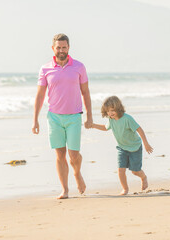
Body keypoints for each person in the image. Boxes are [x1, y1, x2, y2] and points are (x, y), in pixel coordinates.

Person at [32, 33, 93, 199]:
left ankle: (77, 173)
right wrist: (35, 119)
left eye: (64, 47)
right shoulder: (45, 69)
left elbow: (85, 92)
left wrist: (89, 116)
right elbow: (40, 96)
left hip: (74, 117)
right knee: (60, 155)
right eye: (58, 47)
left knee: (74, 155)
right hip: (54, 118)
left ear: (68, 48)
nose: (61, 50)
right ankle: (65, 190)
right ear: (53, 48)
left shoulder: (79, 67)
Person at [92, 96, 153, 195]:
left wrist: (146, 143)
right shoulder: (111, 120)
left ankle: (143, 177)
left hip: (135, 147)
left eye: (112, 110)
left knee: (135, 171)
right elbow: (105, 127)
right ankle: (125, 189)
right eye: (108, 111)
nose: (110, 113)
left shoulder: (127, 118)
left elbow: (139, 129)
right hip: (122, 148)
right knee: (120, 170)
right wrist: (93, 125)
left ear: (118, 108)